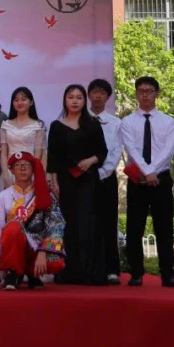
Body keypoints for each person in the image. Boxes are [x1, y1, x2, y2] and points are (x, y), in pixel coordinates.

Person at [121, 76, 174, 288]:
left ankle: (168, 274)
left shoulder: (168, 121)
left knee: (164, 227)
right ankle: (136, 273)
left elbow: (168, 150)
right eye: (141, 91)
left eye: (149, 90)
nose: (145, 94)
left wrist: (152, 172)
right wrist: (147, 173)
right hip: (137, 179)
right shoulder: (128, 122)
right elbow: (131, 150)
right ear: (136, 94)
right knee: (134, 228)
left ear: (157, 94)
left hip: (161, 179)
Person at [47, 84, 108, 286]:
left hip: (88, 181)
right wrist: (54, 183)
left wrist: (90, 161)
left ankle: (91, 272)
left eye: (79, 97)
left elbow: (102, 152)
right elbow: (53, 158)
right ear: (65, 100)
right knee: (69, 225)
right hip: (66, 182)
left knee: (88, 224)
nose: (74, 101)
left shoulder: (92, 124)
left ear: (84, 101)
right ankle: (68, 271)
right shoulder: (56, 126)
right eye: (71, 97)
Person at [0, 152, 66, 290]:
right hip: (12, 248)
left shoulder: (44, 194)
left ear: (33, 168)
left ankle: (32, 272)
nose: (22, 169)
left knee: (56, 263)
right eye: (18, 165)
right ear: (11, 170)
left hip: (37, 248)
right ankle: (13, 272)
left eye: (26, 165)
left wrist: (43, 251)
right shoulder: (3, 196)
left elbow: (56, 224)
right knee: (13, 228)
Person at [88, 78, 124, 284]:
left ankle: (111, 269)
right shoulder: (80, 119)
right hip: (83, 178)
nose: (98, 96)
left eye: (102, 92)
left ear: (108, 97)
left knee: (109, 223)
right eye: (95, 92)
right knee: (86, 222)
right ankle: (88, 268)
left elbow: (116, 150)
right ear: (89, 95)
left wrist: (103, 172)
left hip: (106, 178)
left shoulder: (116, 123)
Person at [0, 87, 47, 189]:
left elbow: (38, 154)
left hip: (30, 172)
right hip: (10, 171)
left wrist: (30, 172)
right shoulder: (6, 125)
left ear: (31, 102)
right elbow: (3, 153)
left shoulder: (38, 125)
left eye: (23, 99)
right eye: (16, 100)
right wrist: (5, 175)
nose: (20, 102)